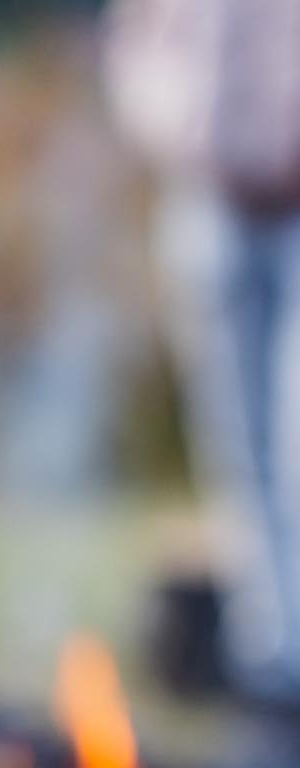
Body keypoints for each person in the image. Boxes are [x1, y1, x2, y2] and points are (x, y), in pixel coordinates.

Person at [104, 0, 300, 697]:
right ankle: (272, 661)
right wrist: (184, 130)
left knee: (294, 438)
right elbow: (138, 48)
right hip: (209, 202)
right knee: (235, 445)